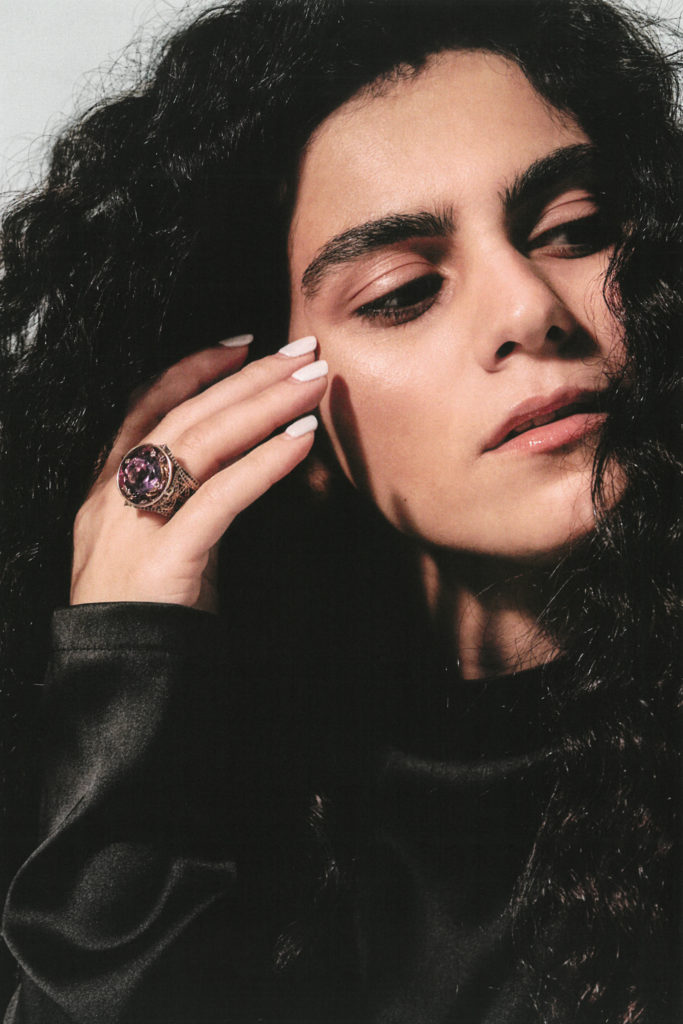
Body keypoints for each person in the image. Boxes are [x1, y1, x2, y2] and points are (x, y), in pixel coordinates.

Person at [0, 0, 680, 1020]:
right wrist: (127, 654)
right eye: (402, 290)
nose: (529, 309)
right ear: (262, 403)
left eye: (576, 231)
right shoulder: (250, 796)